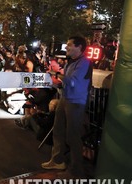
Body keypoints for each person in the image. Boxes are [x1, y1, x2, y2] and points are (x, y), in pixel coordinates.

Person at [41, 36, 93, 179]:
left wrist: (55, 74)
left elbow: (73, 82)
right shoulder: (70, 62)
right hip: (65, 98)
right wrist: (56, 84)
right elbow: (67, 83)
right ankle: (58, 161)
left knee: (73, 136)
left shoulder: (84, 63)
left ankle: (76, 171)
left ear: (79, 47)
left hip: (76, 103)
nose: (66, 47)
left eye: (69, 45)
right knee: (58, 130)